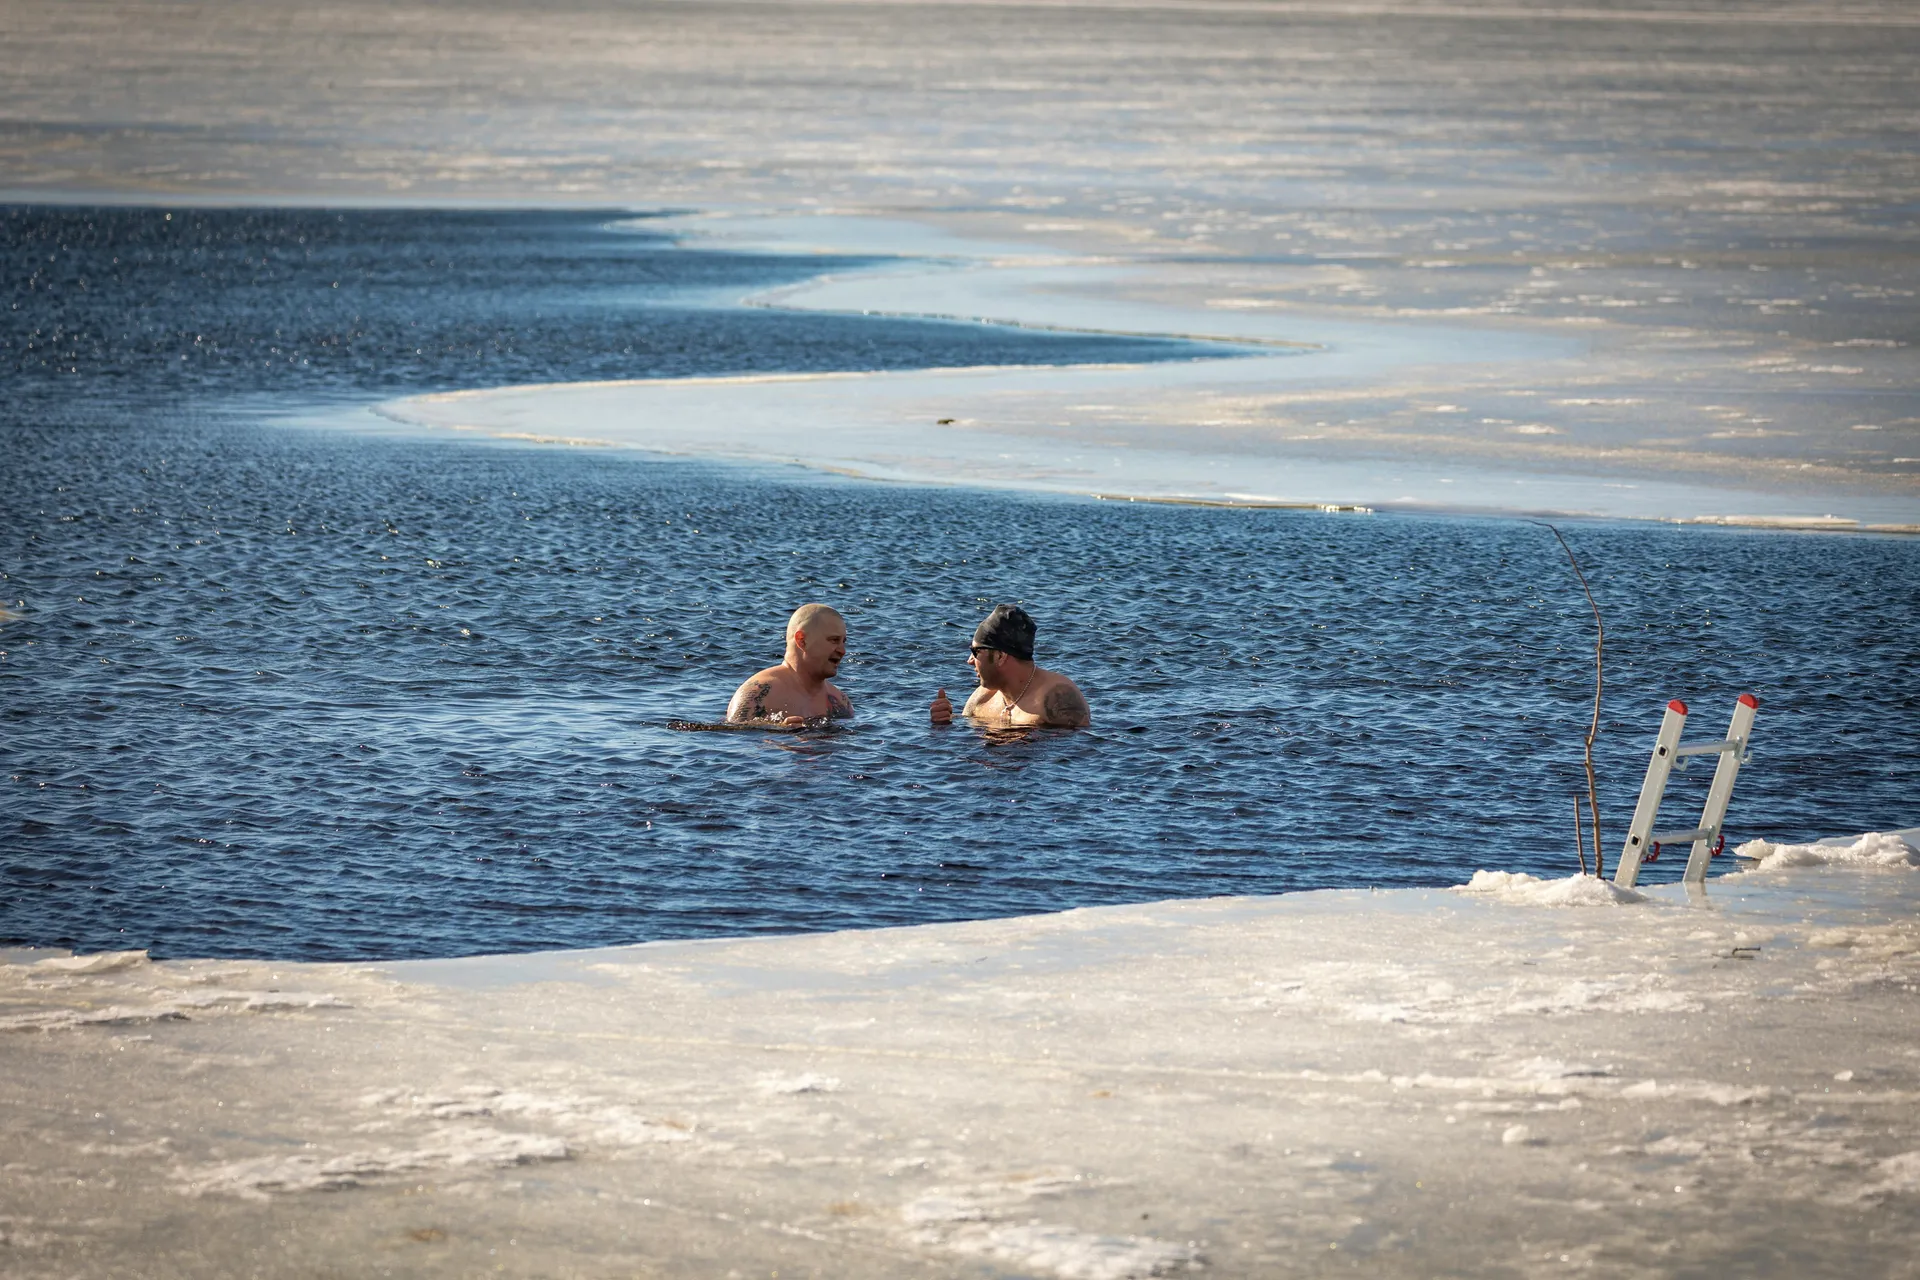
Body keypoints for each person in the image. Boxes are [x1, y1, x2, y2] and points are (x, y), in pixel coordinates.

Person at [929, 604, 1090, 728]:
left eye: (975, 651)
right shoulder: (982, 697)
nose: (970, 660)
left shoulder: (1058, 699)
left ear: (1000, 656)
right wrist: (945, 720)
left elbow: (1076, 755)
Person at [726, 603, 854, 728]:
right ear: (802, 640)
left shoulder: (841, 702)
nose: (842, 651)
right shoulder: (759, 694)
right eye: (834, 640)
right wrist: (777, 730)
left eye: (843, 641)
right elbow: (735, 735)